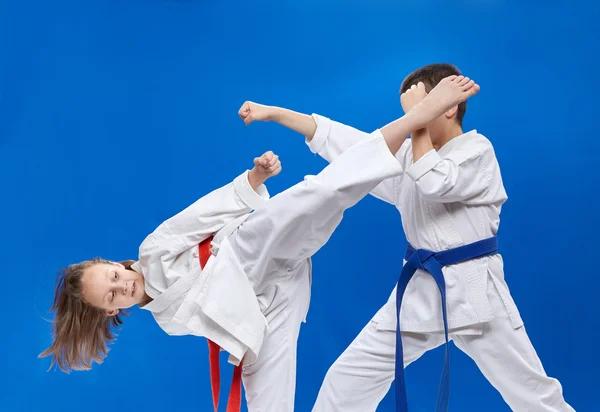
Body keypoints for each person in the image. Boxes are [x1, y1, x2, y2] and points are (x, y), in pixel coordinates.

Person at [40, 74, 479, 412]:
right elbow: (227, 320)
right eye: (113, 295)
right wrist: (239, 348)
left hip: (249, 251)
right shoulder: (166, 320)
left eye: (113, 276)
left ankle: (416, 119)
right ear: (112, 311)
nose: (122, 286)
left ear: (112, 263)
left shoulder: (153, 250)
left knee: (324, 191)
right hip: (267, 310)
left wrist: (255, 179)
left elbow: (205, 212)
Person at [241, 63, 574, 412]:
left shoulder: (477, 152)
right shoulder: (410, 156)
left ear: (448, 107)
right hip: (418, 292)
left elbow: (434, 181)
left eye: (422, 107)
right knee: (346, 382)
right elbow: (352, 148)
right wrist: (276, 114)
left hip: (477, 295)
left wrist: (416, 119)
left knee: (534, 396)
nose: (414, 117)